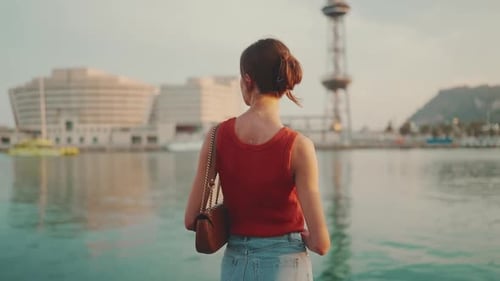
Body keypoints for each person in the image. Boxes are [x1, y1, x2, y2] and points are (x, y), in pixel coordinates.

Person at [185, 38, 330, 281]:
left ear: (248, 80)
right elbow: (321, 243)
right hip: (286, 264)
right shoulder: (300, 147)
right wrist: (303, 237)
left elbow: (191, 219)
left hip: (235, 265)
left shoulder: (216, 136)